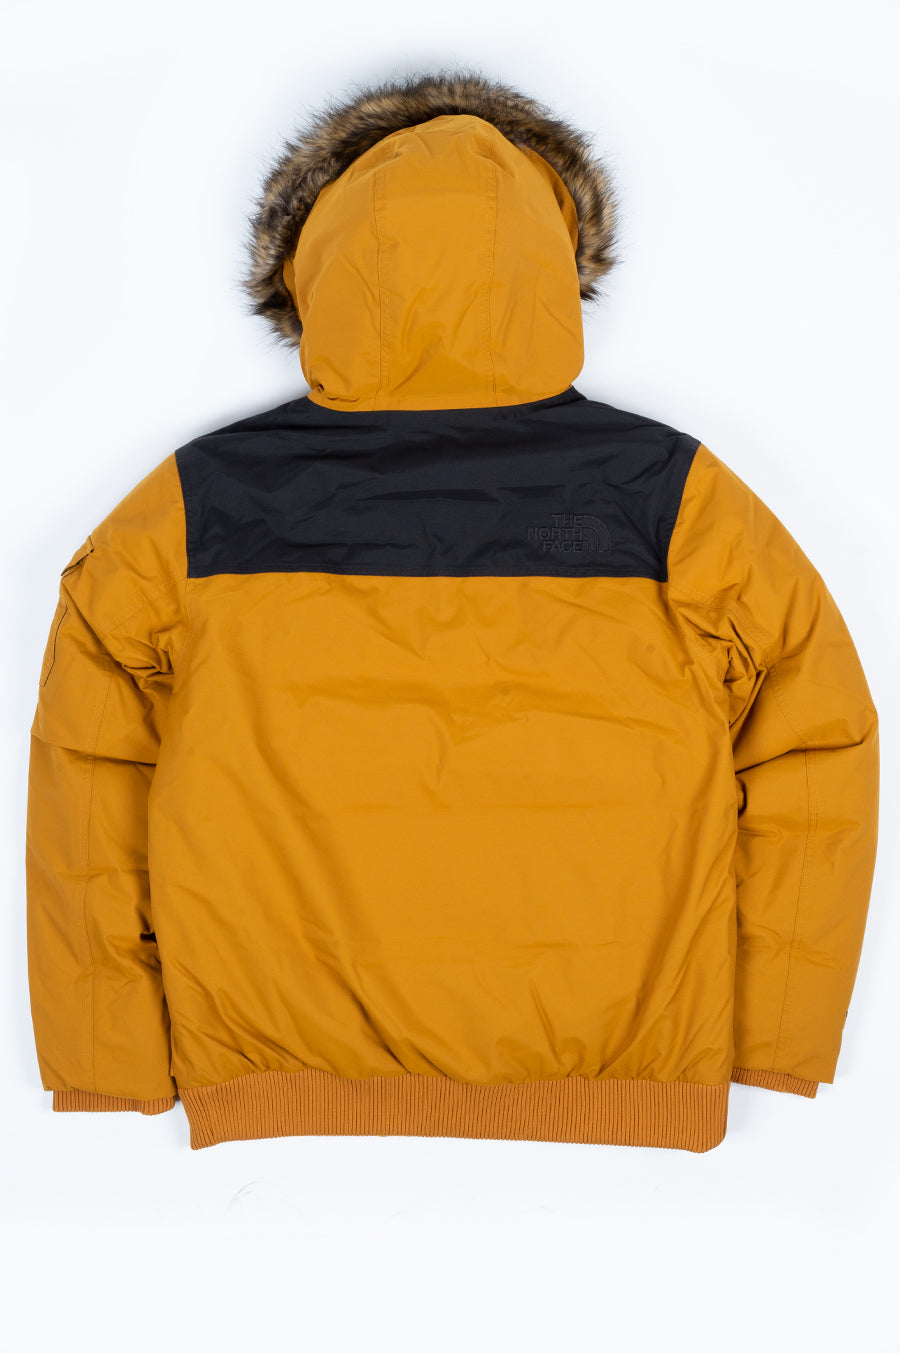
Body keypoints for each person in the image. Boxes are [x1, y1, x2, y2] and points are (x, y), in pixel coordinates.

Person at [25, 67, 880, 1153]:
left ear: (313, 271)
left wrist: (108, 1053)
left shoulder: (198, 505)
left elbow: (88, 769)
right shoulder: (671, 499)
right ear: (554, 271)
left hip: (272, 1066)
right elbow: (818, 739)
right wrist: (769, 1032)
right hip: (624, 1062)